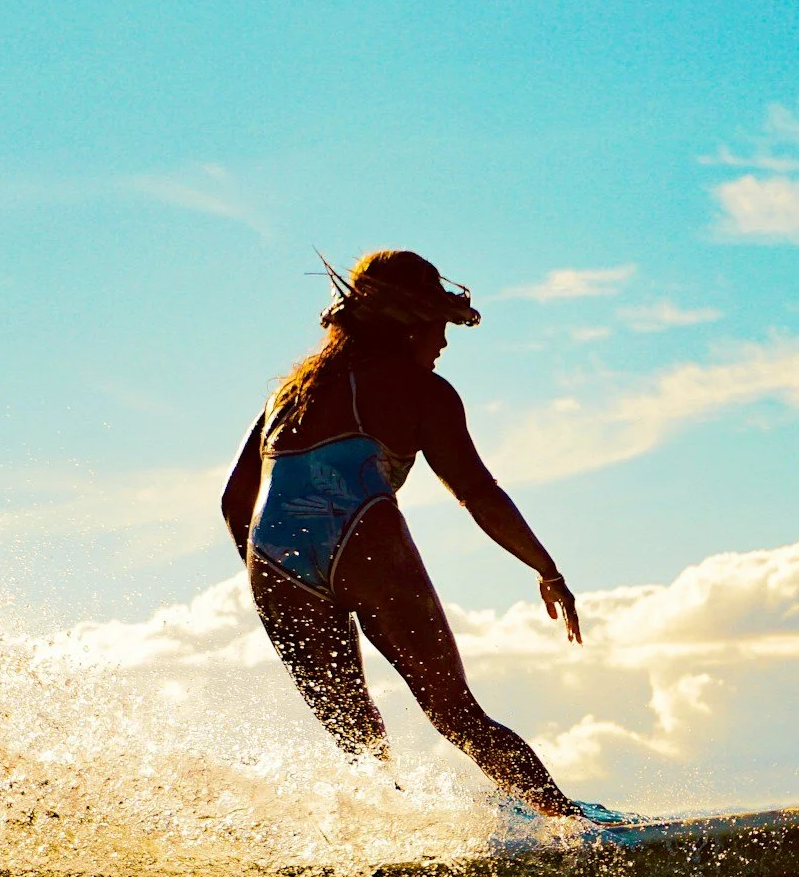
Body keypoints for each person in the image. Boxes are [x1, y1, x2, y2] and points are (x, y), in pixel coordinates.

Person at [221, 249, 585, 817]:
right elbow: (477, 492)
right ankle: (575, 831)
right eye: (438, 324)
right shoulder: (423, 392)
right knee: (457, 716)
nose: (442, 342)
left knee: (356, 734)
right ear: (409, 323)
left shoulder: (285, 396)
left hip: (272, 554)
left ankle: (388, 838)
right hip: (363, 532)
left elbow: (233, 501)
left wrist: (270, 570)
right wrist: (547, 569)